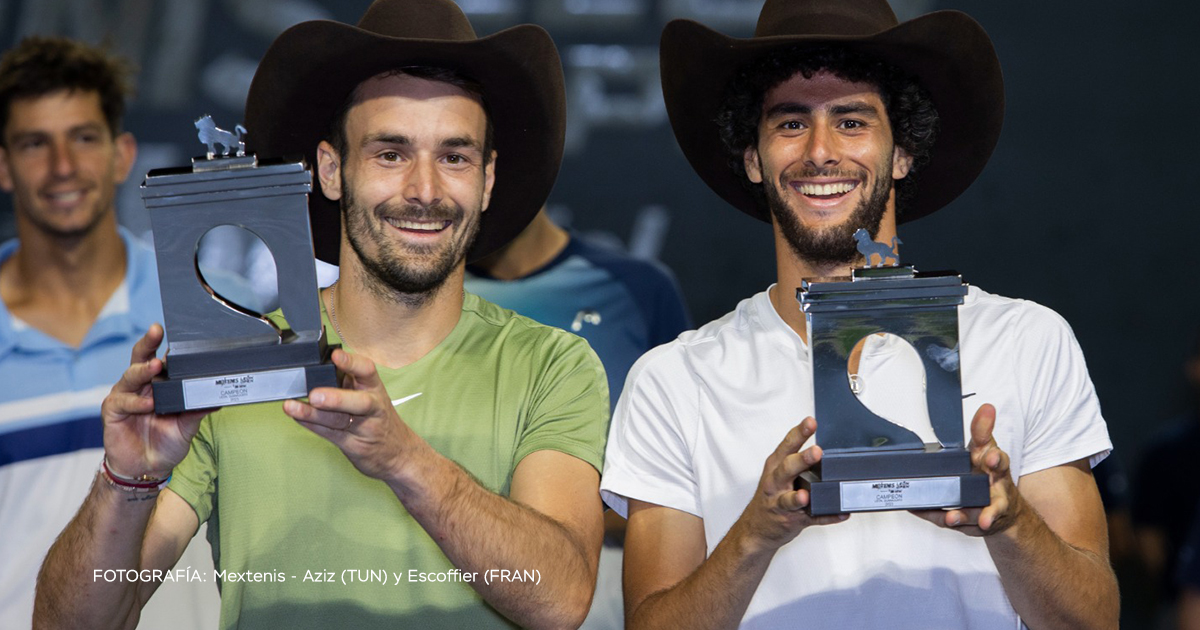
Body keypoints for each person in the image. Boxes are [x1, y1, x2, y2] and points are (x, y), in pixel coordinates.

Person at [33, 1, 609, 628]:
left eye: (455, 156)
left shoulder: (553, 364)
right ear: (332, 170)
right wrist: (127, 479)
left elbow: (560, 600)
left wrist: (403, 460)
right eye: (391, 153)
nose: (424, 190)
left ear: (488, 178)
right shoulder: (231, 373)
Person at [599, 0, 1118, 628]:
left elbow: (1094, 619)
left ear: (902, 153)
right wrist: (755, 535)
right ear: (753, 159)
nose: (820, 153)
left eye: (851, 121)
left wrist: (1009, 520)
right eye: (790, 124)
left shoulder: (1027, 340)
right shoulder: (674, 381)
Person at [0, 36, 217, 629]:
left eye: (84, 137)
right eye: (35, 143)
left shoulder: (216, 305)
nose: (63, 166)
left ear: (124, 154)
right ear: (3, 165)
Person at [466, 206, 691, 629]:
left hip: (605, 574)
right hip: (453, 563)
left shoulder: (640, 287)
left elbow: (683, 462)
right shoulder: (422, 294)